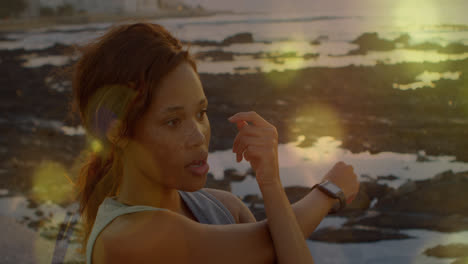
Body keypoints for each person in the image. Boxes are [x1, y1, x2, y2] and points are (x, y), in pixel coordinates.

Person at [70, 22, 360, 264]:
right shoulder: (125, 238)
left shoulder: (223, 206)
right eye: (173, 121)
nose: (198, 137)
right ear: (117, 132)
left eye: (201, 113)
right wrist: (328, 191)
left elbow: (280, 248)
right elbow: (272, 246)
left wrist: (270, 182)